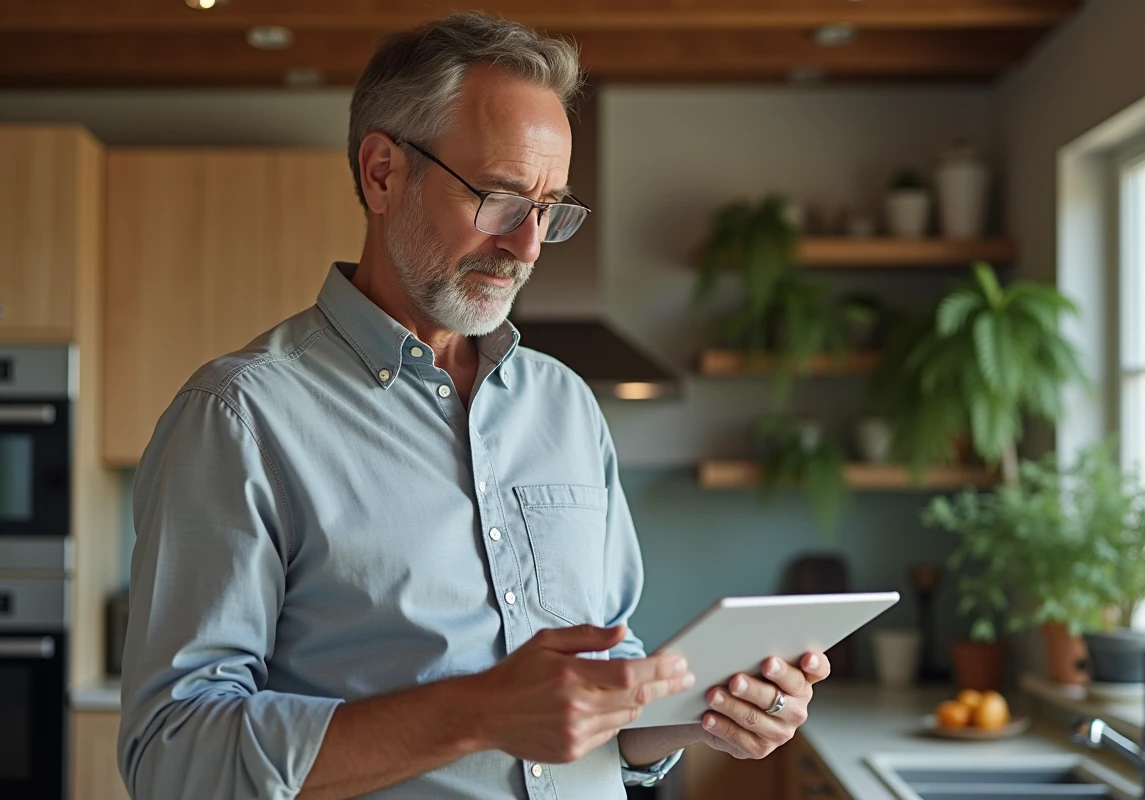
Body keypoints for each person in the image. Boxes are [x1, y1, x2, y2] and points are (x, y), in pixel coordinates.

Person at [117, 12, 830, 800]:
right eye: (499, 199)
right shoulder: (239, 418)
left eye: (549, 209)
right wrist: (476, 713)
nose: (528, 246)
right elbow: (172, 757)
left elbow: (601, 689)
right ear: (382, 173)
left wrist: (699, 718)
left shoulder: (565, 406)